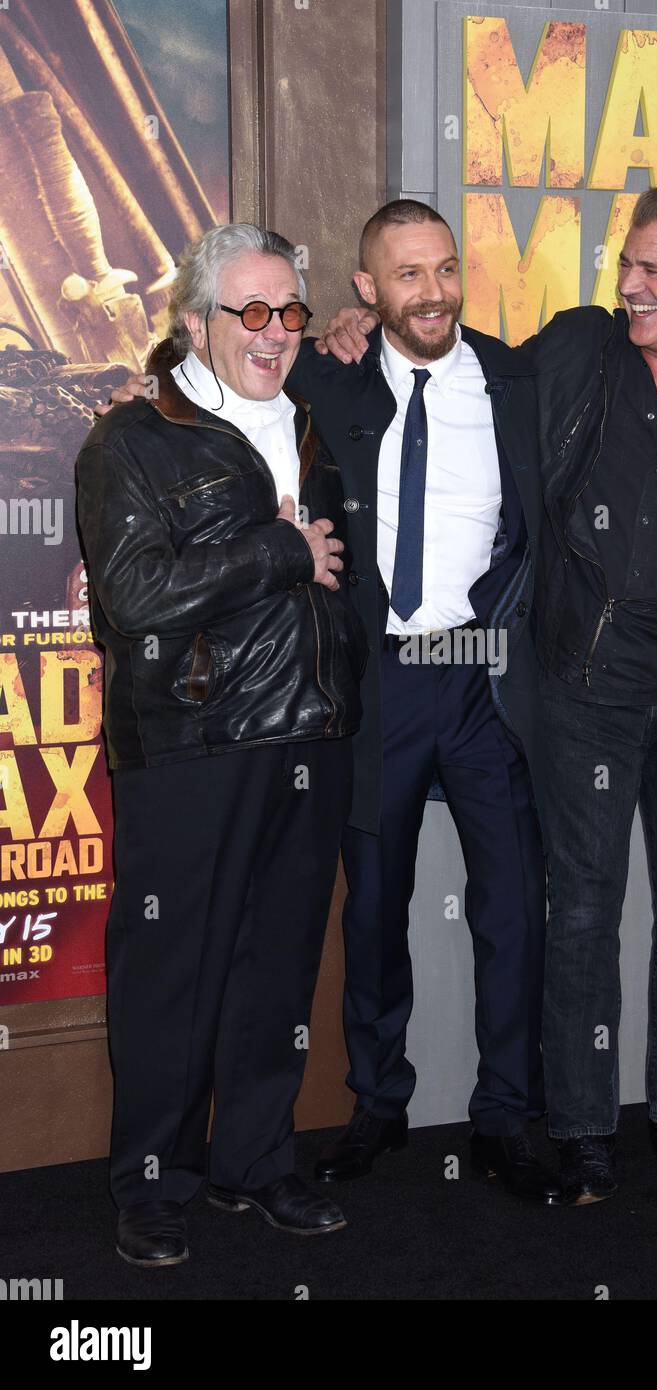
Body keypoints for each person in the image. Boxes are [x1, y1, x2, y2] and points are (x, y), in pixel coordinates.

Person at [318, 183, 657, 1206]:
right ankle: (584, 1132)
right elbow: (426, 351)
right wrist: (358, 322)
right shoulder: (576, 353)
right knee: (576, 913)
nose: (626, 283)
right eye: (625, 263)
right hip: (578, 694)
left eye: (651, 269)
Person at [104, 201, 559, 1206]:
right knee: (369, 913)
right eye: (406, 275)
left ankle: (505, 1116)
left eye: (444, 269)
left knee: (511, 911)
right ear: (365, 291)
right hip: (368, 684)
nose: (431, 291)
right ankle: (376, 1106)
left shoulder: (518, 378)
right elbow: (189, 366)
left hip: (482, 678)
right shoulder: (321, 375)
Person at [77, 223, 366, 1266]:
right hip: (196, 739)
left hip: (309, 733)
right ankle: (152, 1183)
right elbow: (137, 595)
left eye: (288, 310)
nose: (273, 330)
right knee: (172, 972)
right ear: (193, 322)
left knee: (275, 971)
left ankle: (256, 1159)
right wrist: (279, 549)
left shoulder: (310, 423)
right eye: (248, 311)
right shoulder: (134, 439)